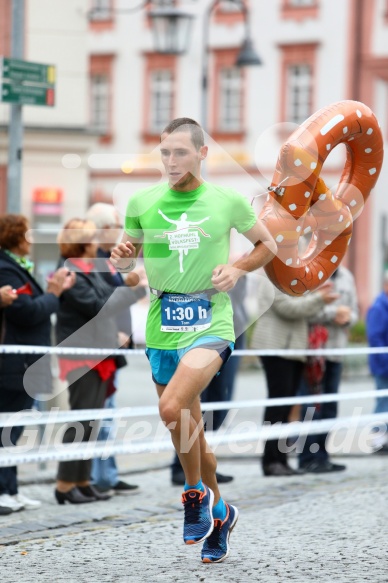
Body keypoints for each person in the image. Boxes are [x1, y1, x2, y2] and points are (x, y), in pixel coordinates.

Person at [110, 117, 276, 564]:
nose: (170, 161)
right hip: (163, 323)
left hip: (210, 322)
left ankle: (193, 494)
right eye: (164, 152)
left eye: (180, 152)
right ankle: (221, 512)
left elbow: (267, 245)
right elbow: (127, 257)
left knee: (169, 409)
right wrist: (122, 254)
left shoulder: (227, 200)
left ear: (202, 154)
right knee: (191, 433)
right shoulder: (142, 201)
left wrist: (239, 268)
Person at [55, 219, 143, 504]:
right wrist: (131, 289)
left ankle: (82, 480)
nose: (97, 242)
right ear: (83, 242)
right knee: (80, 421)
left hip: (98, 353)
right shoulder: (70, 272)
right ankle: (65, 485)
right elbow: (97, 307)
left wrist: (130, 289)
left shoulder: (89, 269)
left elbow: (105, 299)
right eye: (92, 238)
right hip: (81, 355)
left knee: (91, 422)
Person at [0, 213, 75, 513]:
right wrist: (55, 291)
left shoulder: (15, 267)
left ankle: (11, 489)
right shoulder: (5, 269)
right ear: (15, 238)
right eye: (26, 235)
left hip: (24, 363)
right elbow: (27, 312)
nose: (30, 240)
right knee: (7, 429)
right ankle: (3, 491)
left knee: (13, 429)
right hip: (14, 364)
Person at [86, 202, 146, 494]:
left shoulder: (109, 259)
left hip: (113, 343)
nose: (119, 231)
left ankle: (107, 474)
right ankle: (99, 477)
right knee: (101, 414)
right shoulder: (95, 260)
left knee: (108, 413)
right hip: (101, 346)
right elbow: (106, 302)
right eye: (114, 226)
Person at [250, 279, 338, 477]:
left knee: (286, 408)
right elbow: (289, 308)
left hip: (292, 349)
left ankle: (281, 460)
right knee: (277, 407)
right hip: (277, 348)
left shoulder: (288, 277)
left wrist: (317, 297)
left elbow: (303, 307)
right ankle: (271, 461)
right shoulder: (271, 277)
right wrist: (318, 298)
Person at [170, 275, 248, 486]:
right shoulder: (204, 270)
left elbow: (237, 299)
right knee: (194, 406)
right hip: (205, 340)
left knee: (219, 407)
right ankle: (182, 467)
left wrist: (238, 271)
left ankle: (205, 465)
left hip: (230, 338)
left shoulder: (234, 273)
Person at [298, 266, 359, 472]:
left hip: (336, 351)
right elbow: (305, 310)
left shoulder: (347, 276)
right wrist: (334, 314)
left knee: (330, 408)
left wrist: (348, 318)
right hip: (314, 353)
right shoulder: (310, 275)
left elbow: (355, 311)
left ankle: (322, 455)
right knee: (311, 407)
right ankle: (307, 457)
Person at [366, 272, 388, 454]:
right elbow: (375, 338)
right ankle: (377, 440)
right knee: (383, 402)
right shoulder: (379, 307)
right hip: (383, 365)